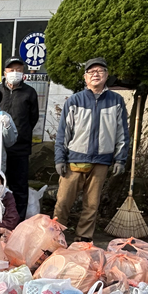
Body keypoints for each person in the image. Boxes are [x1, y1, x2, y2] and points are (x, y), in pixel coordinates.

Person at [54, 57, 129, 241]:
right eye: (91, 72)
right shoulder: (75, 101)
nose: (96, 74)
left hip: (101, 160)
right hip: (75, 159)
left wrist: (120, 159)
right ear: (85, 77)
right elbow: (64, 132)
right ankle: (55, 236)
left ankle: (84, 238)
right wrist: (59, 159)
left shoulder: (116, 101)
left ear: (107, 75)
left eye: (100, 71)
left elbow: (122, 133)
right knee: (63, 202)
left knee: (92, 204)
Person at [0, 57, 40, 218]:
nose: (14, 73)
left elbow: (33, 119)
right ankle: (0, 221)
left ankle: (18, 223)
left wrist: (20, 134)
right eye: (11, 70)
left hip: (20, 148)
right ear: (4, 72)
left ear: (23, 72)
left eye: (18, 70)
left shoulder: (29, 92)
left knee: (19, 188)